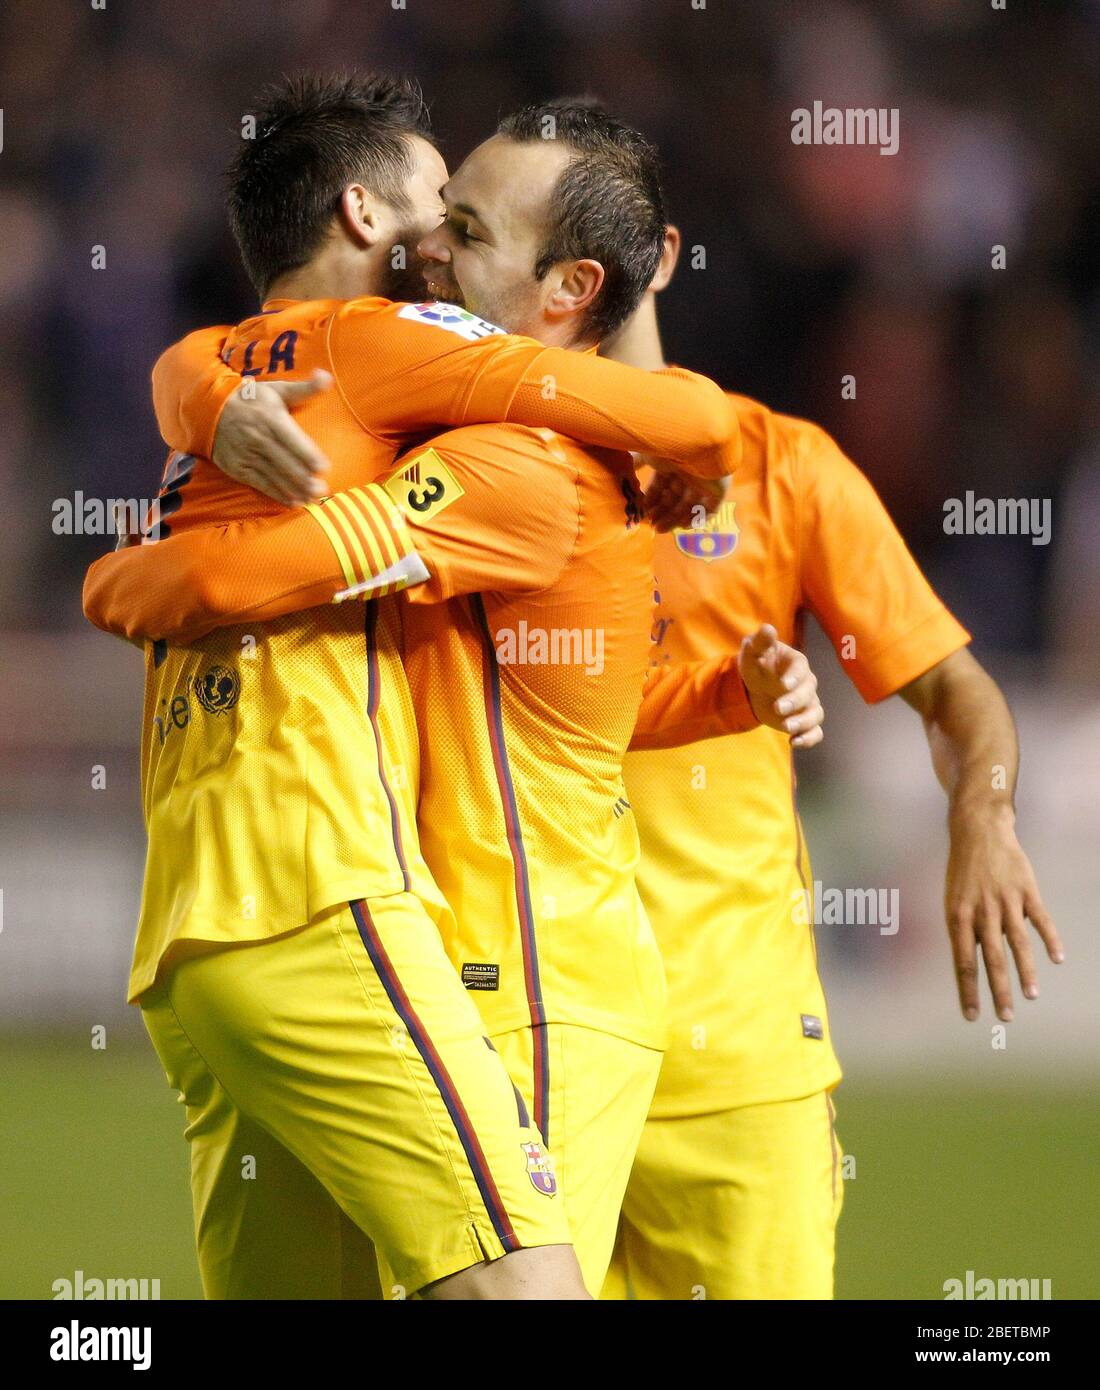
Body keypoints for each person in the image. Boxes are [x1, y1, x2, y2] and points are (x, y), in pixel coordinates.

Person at [85, 96, 825, 1296]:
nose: (432, 251)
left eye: (463, 229)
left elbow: (231, 567)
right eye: (437, 215)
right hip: (382, 927)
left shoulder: (506, 459)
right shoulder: (399, 395)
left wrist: (122, 571)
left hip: (499, 967)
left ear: (565, 289)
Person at [593, 228, 1064, 1300]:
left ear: (657, 256)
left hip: (734, 1051)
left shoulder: (778, 466)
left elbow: (951, 691)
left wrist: (981, 816)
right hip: (522, 1041)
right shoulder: (472, 469)